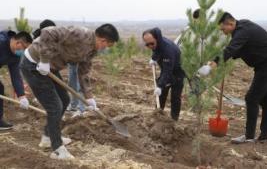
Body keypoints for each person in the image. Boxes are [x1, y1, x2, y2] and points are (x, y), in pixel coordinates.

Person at [19, 24, 119, 159]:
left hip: (50, 69)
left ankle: (48, 137)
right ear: (102, 40)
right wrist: (44, 60)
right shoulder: (79, 34)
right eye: (107, 46)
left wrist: (89, 97)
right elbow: (47, 32)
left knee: (65, 100)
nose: (105, 49)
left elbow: (83, 72)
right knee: (55, 107)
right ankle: (57, 149)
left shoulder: (92, 50)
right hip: (34, 64)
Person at [198, 12, 267, 144]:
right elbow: (234, 51)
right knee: (266, 102)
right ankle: (264, 137)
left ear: (230, 23)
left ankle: (249, 137)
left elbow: (231, 49)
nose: (222, 31)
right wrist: (215, 58)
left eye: (223, 28)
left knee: (251, 98)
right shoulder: (241, 28)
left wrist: (212, 66)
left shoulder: (243, 31)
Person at [143, 27, 185, 121]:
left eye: (151, 43)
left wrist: (160, 85)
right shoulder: (158, 43)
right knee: (161, 95)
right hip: (167, 69)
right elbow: (157, 50)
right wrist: (154, 58)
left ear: (157, 38)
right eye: (147, 44)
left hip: (178, 73)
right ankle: (157, 117)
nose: (150, 46)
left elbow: (167, 72)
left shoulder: (168, 50)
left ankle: (174, 120)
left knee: (175, 97)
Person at [0, 30, 33, 130]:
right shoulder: (1, 42)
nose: (23, 52)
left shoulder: (15, 56)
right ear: (17, 42)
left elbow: (15, 76)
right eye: (24, 48)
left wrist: (21, 96)